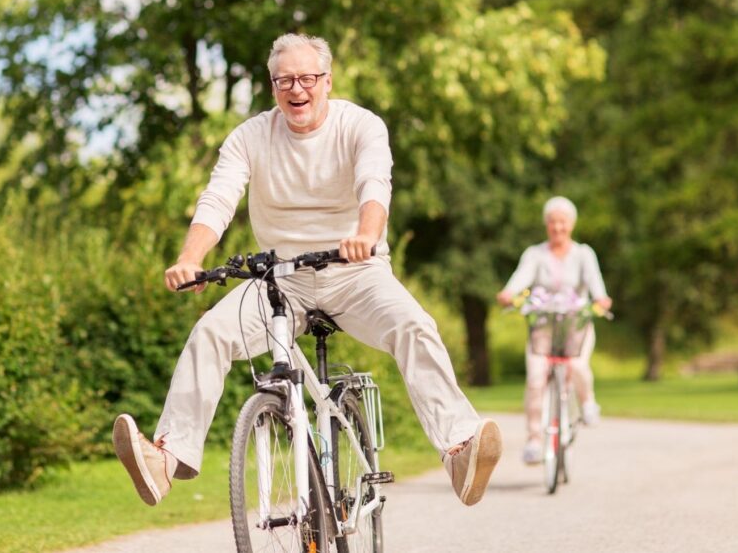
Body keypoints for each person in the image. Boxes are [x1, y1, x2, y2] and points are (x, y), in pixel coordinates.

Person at [112, 33, 501, 508]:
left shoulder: (360, 125)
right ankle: (166, 459)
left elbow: (374, 184)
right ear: (273, 86)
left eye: (307, 78)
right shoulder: (250, 136)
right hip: (280, 279)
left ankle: (459, 449)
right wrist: (190, 258)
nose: (297, 89)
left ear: (327, 81)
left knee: (415, 326)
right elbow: (218, 199)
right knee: (210, 332)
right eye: (284, 81)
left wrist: (366, 233)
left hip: (356, 272)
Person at [495, 196, 612, 465]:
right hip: (544, 327)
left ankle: (587, 402)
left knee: (578, 365)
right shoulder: (535, 254)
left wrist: (601, 300)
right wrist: (508, 293)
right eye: (552, 222)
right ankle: (534, 440)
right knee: (536, 378)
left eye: (563, 222)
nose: (557, 227)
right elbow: (520, 279)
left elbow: (596, 286)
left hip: (576, 325)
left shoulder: (584, 254)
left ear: (571, 225)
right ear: (546, 225)